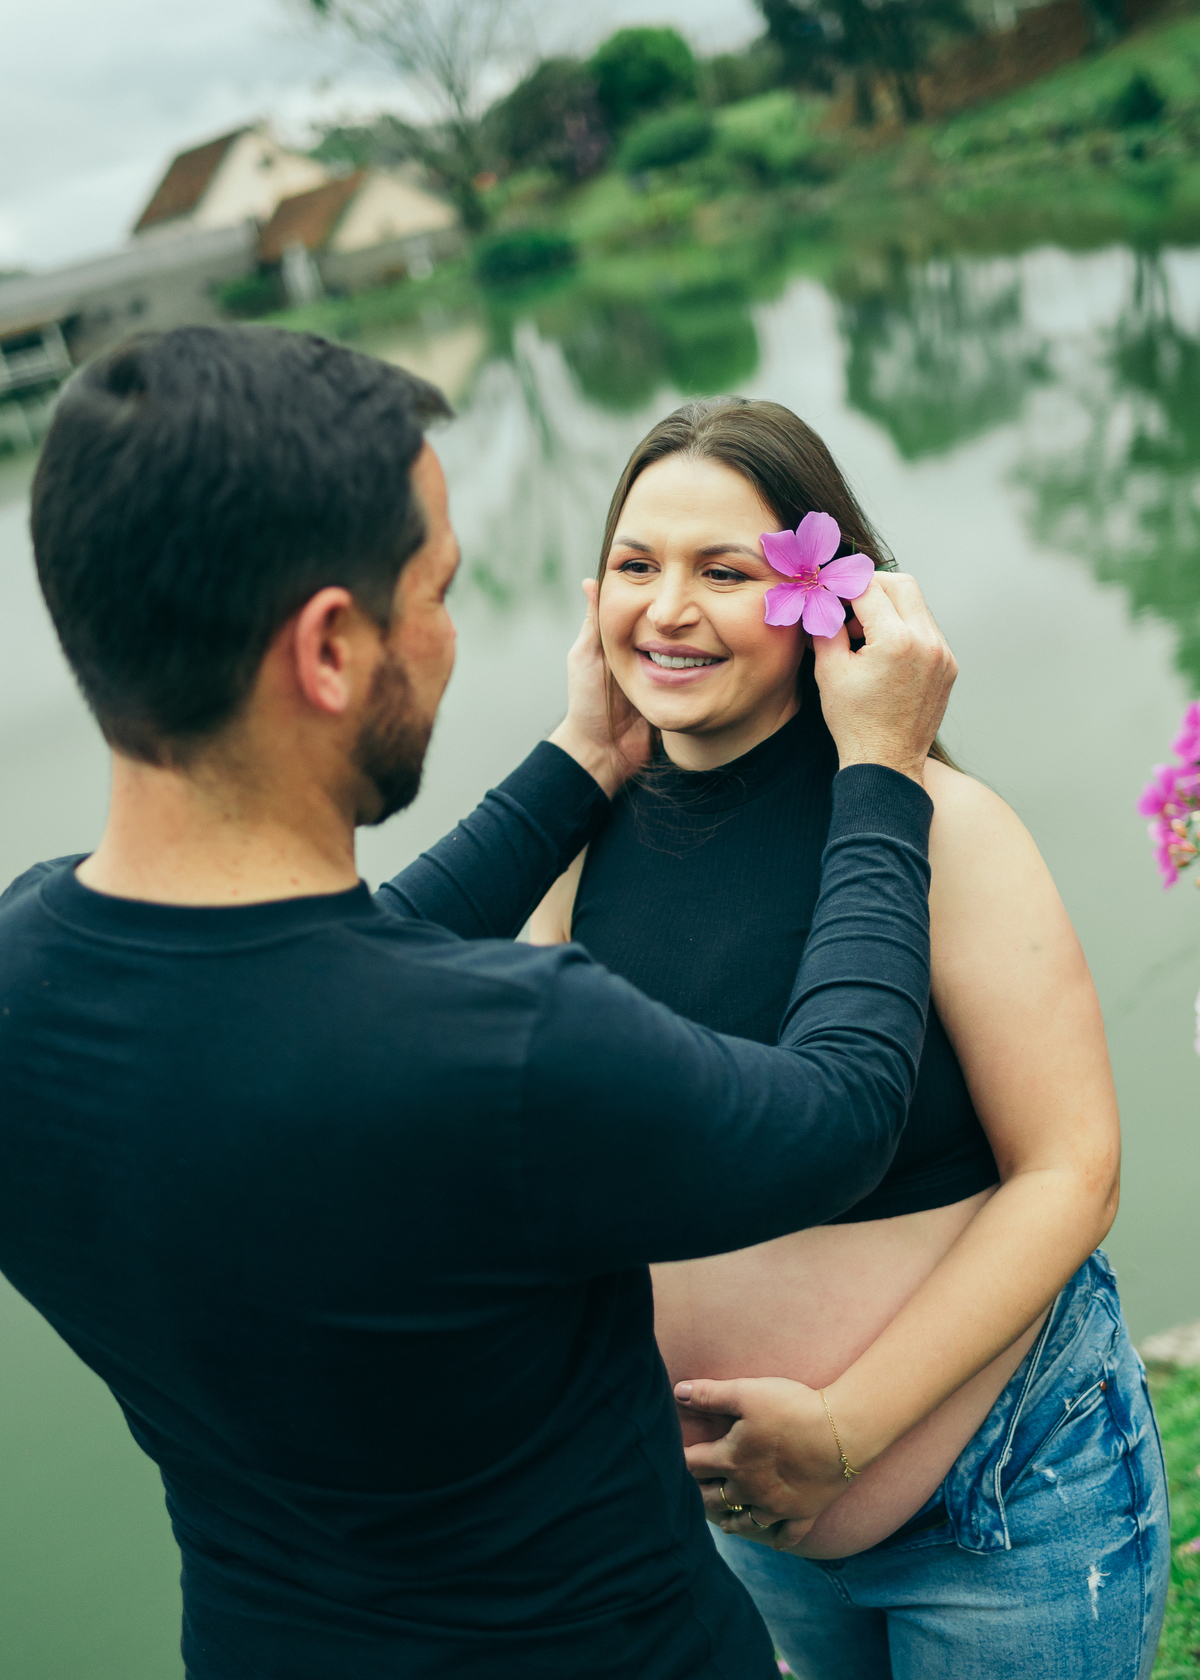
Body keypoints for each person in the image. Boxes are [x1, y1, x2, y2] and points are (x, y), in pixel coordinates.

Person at [0, 327, 956, 1680]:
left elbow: (313, 979)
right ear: (331, 649)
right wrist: (882, 774)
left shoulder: (25, 977)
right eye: (439, 591)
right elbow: (842, 1112)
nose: (452, 636)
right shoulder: (502, 1053)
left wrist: (579, 762)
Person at [530, 396, 1169, 1680]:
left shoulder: (942, 823)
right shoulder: (571, 841)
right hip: (750, 1528)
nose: (668, 608)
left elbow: (1073, 1170)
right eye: (637, 566)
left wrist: (844, 1428)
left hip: (1008, 1500)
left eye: (725, 572)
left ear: (827, 597)